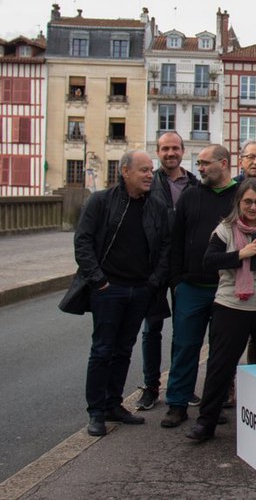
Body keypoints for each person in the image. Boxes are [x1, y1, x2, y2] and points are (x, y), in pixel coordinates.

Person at [186, 179, 256, 442]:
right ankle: (206, 422)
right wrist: (241, 254)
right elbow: (208, 262)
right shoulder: (225, 230)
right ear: (239, 203)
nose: (253, 207)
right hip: (232, 306)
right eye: (248, 201)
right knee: (220, 367)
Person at [74, 150, 171, 437]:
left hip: (140, 289)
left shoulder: (155, 206)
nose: (148, 175)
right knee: (102, 350)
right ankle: (96, 412)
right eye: (143, 170)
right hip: (108, 289)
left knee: (123, 350)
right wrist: (98, 280)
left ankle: (114, 404)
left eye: (151, 170)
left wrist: (153, 282)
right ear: (125, 171)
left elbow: (165, 245)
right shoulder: (101, 201)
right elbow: (83, 241)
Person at [162, 145, 239, 429]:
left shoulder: (239, 197)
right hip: (191, 286)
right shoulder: (190, 195)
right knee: (184, 347)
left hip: (226, 287)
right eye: (200, 163)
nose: (200, 168)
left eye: (206, 163)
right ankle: (177, 403)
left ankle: (213, 405)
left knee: (221, 353)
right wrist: (177, 281)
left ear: (224, 163)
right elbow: (176, 239)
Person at [135, 131, 198, 412]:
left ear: (183, 151)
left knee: (185, 331)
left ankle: (179, 385)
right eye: (164, 149)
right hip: (155, 266)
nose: (170, 153)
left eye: (174, 148)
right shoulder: (149, 183)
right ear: (157, 153)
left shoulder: (195, 184)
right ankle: (151, 386)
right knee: (152, 328)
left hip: (184, 266)